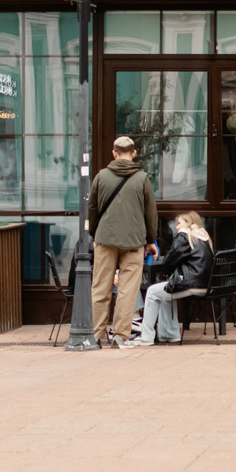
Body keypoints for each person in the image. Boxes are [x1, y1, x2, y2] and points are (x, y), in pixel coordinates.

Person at [87, 135, 158, 349]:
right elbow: (150, 213)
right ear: (134, 153)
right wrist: (150, 240)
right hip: (134, 241)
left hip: (105, 239)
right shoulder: (142, 179)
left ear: (114, 153)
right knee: (127, 290)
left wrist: (95, 235)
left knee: (100, 288)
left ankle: (96, 335)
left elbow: (92, 209)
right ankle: (120, 337)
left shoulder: (101, 177)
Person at [131, 211, 214, 346]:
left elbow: (170, 261)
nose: (177, 227)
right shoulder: (203, 237)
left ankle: (146, 337)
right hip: (204, 285)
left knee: (152, 292)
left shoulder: (184, 236)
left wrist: (166, 272)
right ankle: (169, 334)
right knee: (165, 290)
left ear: (188, 223)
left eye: (179, 223)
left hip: (189, 284)